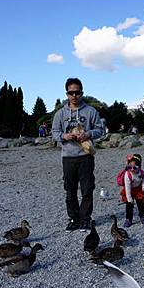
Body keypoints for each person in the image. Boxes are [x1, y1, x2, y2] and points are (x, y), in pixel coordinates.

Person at [52, 77, 105, 232]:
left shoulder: (90, 111)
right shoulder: (60, 114)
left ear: (81, 93)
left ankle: (85, 218)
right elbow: (54, 132)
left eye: (77, 92)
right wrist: (64, 136)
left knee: (87, 188)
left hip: (85, 156)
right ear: (67, 94)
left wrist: (88, 134)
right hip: (68, 157)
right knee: (70, 189)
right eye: (71, 92)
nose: (74, 95)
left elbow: (100, 130)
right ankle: (74, 219)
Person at [119, 154, 144, 227]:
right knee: (129, 205)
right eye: (130, 167)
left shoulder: (141, 172)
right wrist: (129, 199)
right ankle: (128, 219)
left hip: (138, 189)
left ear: (139, 167)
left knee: (141, 203)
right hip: (129, 190)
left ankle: (142, 216)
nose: (132, 169)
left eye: (135, 167)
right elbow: (127, 187)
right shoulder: (127, 174)